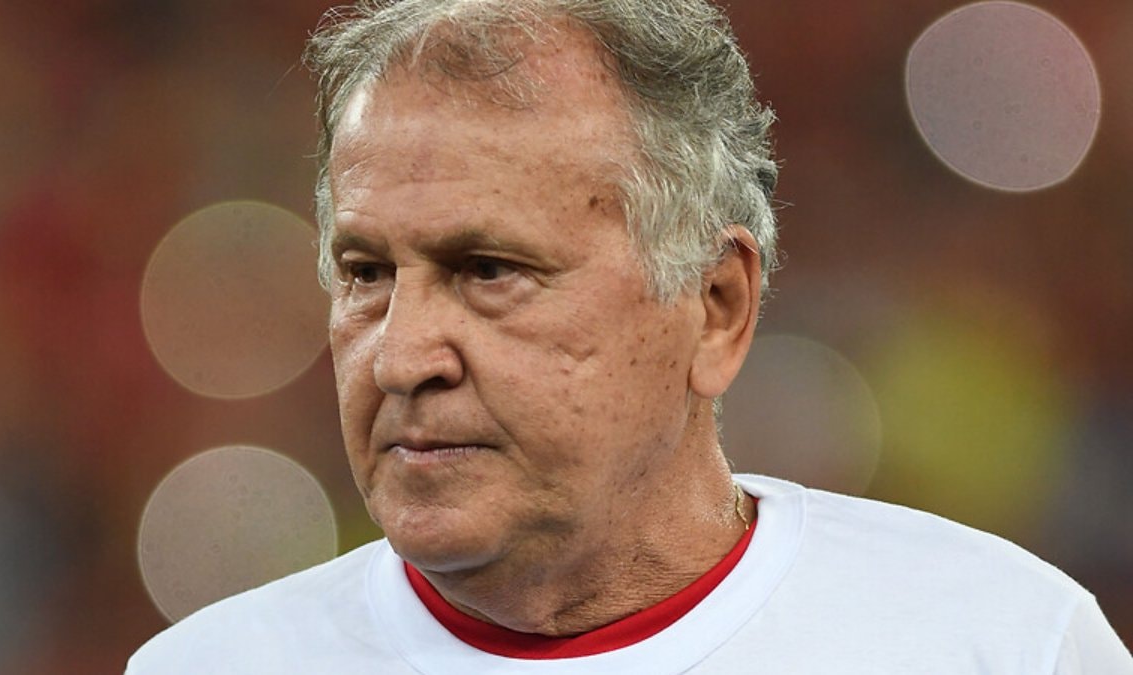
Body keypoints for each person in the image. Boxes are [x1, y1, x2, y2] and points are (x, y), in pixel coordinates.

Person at [128, 0, 1133, 672]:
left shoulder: (1000, 644)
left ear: (716, 306)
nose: (400, 357)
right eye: (367, 274)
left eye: (490, 271)